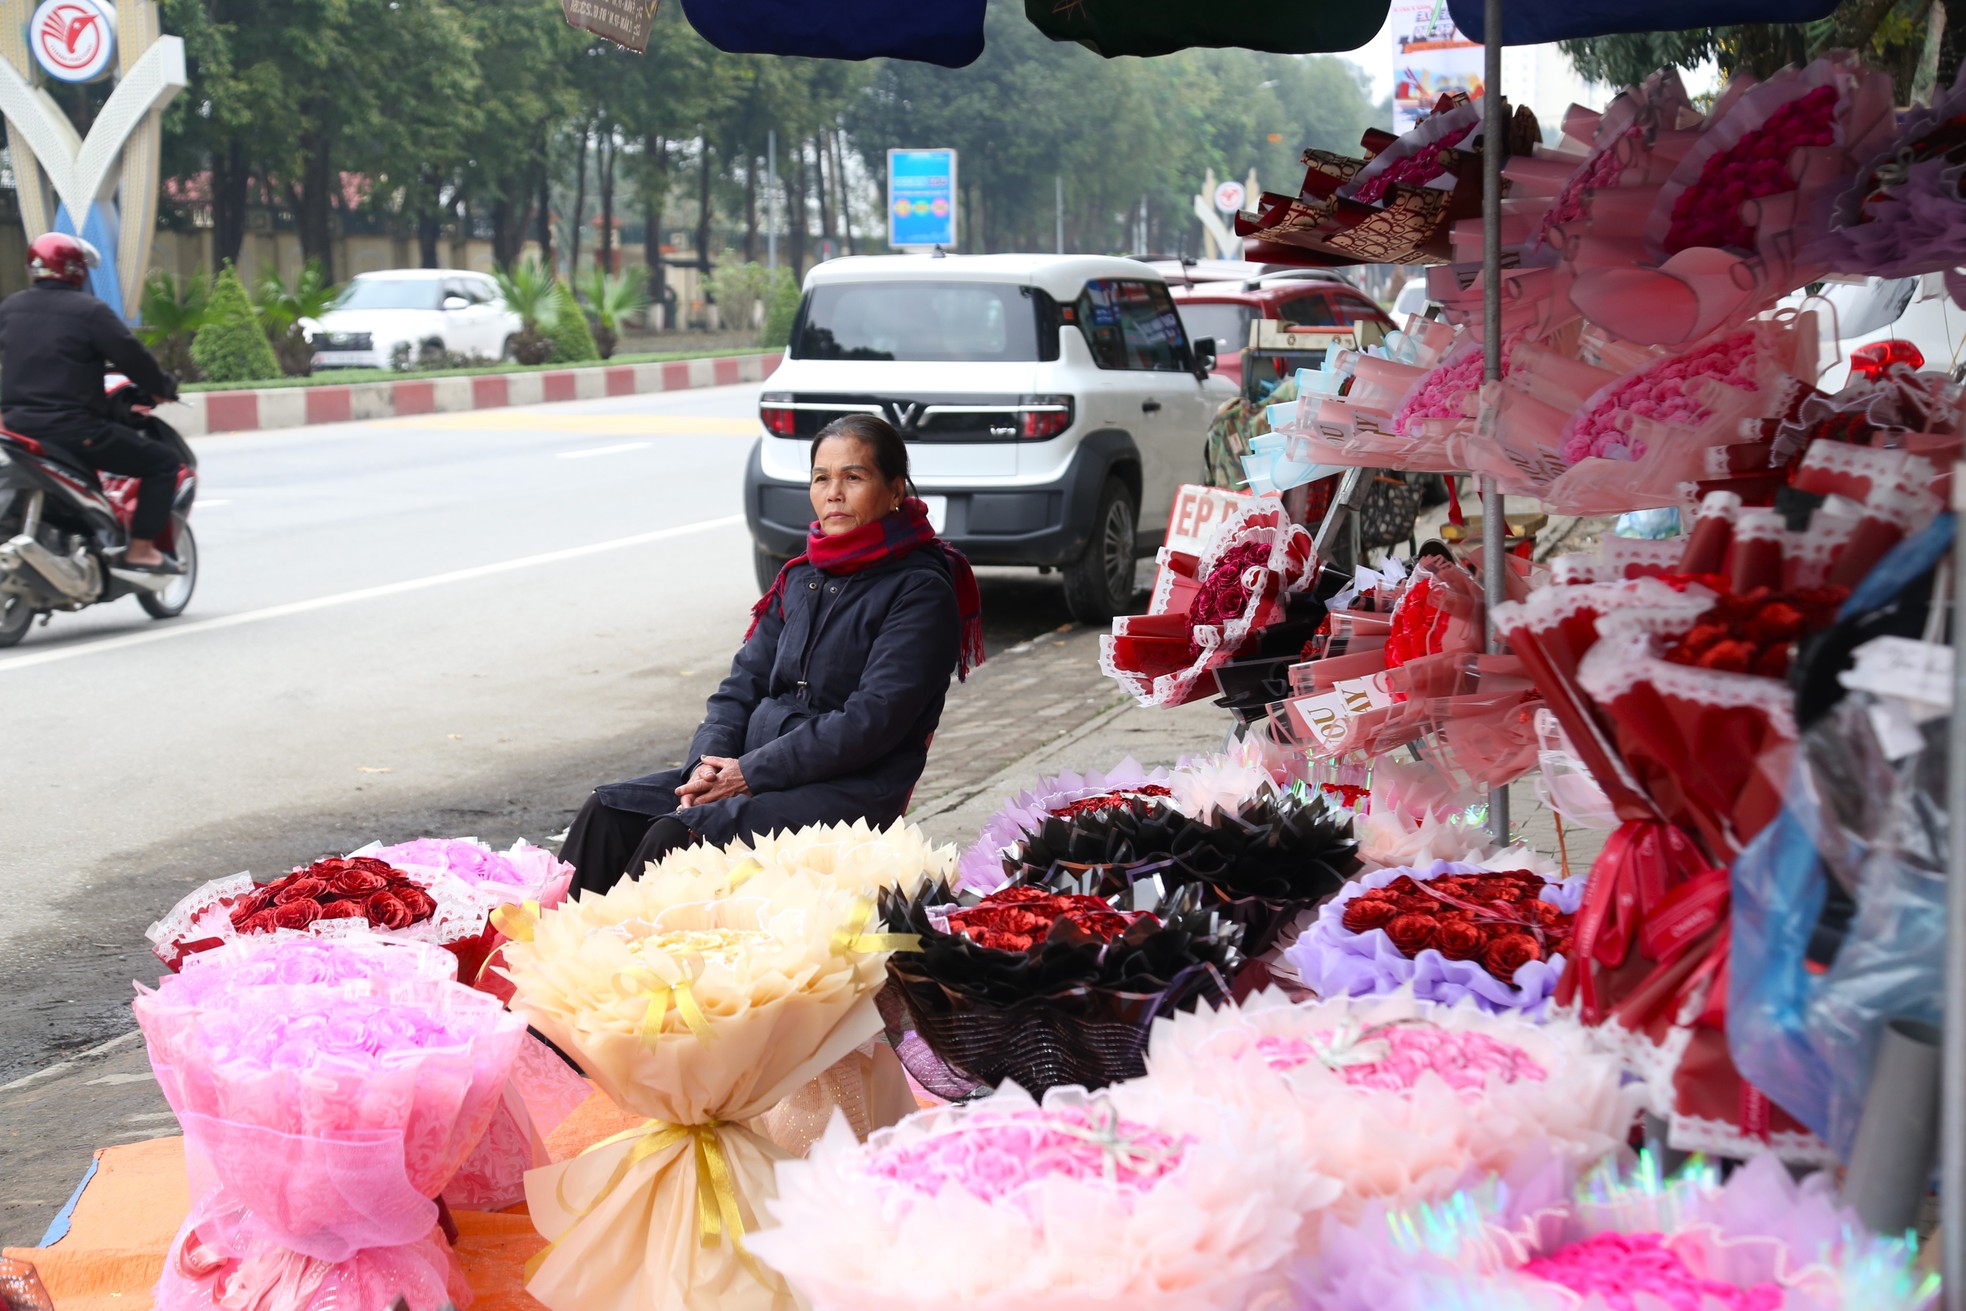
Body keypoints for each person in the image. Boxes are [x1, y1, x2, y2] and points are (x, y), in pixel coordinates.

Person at [560, 413, 986, 895]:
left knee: (680, 837)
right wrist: (706, 764)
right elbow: (741, 687)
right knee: (609, 810)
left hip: (849, 786)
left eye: (853, 476)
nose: (834, 492)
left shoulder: (920, 589)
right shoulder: (801, 577)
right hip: (752, 770)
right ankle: (539, 956)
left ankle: (620, 959)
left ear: (894, 492)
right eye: (821, 478)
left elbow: (873, 720)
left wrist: (747, 775)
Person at [0, 233, 183, 570]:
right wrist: (163, 387)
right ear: (75, 269)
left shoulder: (10, 308)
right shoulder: (89, 312)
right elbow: (133, 357)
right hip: (74, 431)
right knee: (163, 463)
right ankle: (140, 549)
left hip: (16, 430)